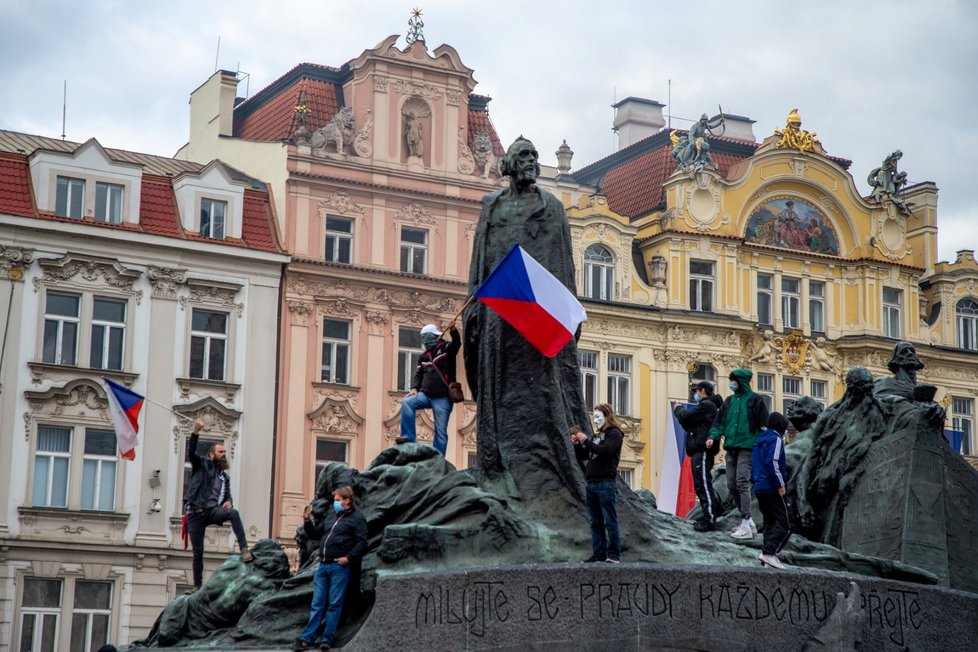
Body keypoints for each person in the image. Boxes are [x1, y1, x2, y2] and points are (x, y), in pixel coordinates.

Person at [463, 136, 591, 515]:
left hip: (536, 312)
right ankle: (498, 467)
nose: (531, 161)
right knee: (498, 390)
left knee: (543, 388)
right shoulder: (492, 206)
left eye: (534, 155)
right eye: (524, 156)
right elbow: (480, 260)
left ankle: (548, 469)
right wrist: (472, 304)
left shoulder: (551, 207)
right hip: (498, 309)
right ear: (508, 165)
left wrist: (566, 313)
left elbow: (562, 265)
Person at [294, 486, 369, 651]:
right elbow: (316, 533)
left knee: (334, 603)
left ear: (347, 500)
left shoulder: (357, 518)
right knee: (317, 603)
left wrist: (348, 558)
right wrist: (307, 521)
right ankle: (308, 638)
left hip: (339, 566)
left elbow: (362, 542)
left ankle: (327, 639)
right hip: (323, 565)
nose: (334, 503)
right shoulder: (331, 516)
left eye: (337, 500)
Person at [185, 418, 252, 591]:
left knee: (233, 513)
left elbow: (227, 497)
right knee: (198, 551)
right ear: (212, 455)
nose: (224, 454)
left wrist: (228, 502)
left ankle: (244, 549)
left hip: (212, 511)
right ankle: (197, 586)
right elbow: (191, 453)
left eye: (225, 452)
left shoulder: (224, 478)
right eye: (220, 451)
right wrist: (195, 432)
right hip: (195, 512)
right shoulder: (202, 465)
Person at [708, 369, 769, 540]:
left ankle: (746, 520)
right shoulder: (729, 402)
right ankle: (747, 520)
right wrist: (713, 437)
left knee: (742, 481)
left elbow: (764, 426)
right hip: (731, 447)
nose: (731, 384)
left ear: (740, 381)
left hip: (748, 447)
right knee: (731, 484)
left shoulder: (756, 400)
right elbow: (718, 423)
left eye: (733, 381)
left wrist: (762, 448)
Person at [397, 321, 460, 455]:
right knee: (407, 402)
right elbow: (419, 374)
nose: (423, 341)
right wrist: (414, 388)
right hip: (426, 395)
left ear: (432, 336)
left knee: (441, 431)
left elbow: (456, 345)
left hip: (442, 397)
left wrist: (453, 331)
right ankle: (408, 437)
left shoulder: (446, 348)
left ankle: (438, 458)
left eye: (425, 337)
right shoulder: (424, 356)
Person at [572, 403, 623, 563]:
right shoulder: (596, 436)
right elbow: (584, 455)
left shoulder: (615, 434)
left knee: (610, 521)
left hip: (606, 483)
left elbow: (605, 451)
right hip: (592, 483)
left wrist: (586, 440)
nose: (595, 421)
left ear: (607, 417)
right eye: (594, 417)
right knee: (595, 522)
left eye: (598, 417)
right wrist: (577, 445)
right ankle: (599, 553)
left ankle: (613, 554)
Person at [674, 381, 723, 531]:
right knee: (700, 484)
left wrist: (678, 409)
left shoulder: (706, 406)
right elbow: (688, 422)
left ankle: (710, 517)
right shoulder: (708, 407)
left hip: (702, 450)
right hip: (698, 449)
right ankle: (709, 515)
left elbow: (686, 416)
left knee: (703, 484)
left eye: (696, 391)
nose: (695, 395)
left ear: (703, 391)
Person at [752, 412, 791, 569]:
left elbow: (754, 464)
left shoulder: (759, 440)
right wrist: (780, 484)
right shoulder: (775, 439)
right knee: (786, 522)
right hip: (772, 486)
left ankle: (767, 558)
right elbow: (773, 461)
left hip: (759, 487)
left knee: (769, 522)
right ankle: (769, 552)